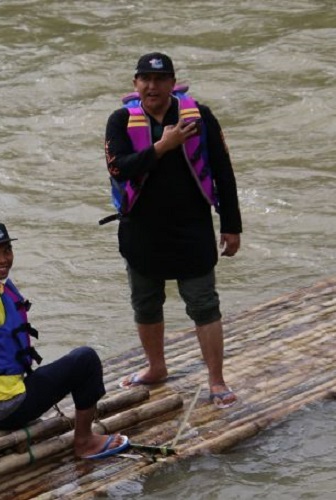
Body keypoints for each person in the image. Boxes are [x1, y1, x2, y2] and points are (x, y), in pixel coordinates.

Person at [102, 52, 243, 409]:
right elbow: (120, 169)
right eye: (145, 80)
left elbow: (223, 172)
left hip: (191, 228)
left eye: (160, 79)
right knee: (146, 304)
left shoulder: (200, 117)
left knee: (205, 305)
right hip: (141, 231)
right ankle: (156, 367)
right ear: (135, 84)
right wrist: (163, 146)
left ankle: (217, 380)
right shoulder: (120, 122)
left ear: (172, 83)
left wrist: (231, 225)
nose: (153, 86)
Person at [0, 222, 129, 460]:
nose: (2, 259)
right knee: (85, 359)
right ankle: (85, 441)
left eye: (6, 251)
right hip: (6, 409)